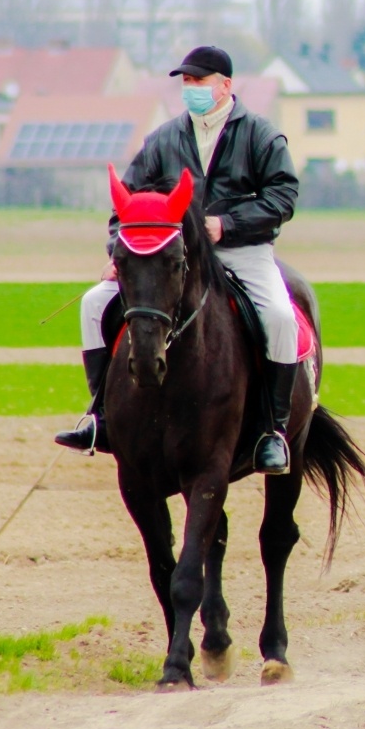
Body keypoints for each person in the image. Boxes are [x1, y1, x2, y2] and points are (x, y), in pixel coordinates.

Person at [55, 45, 302, 473]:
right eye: (186, 82)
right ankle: (101, 417)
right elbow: (125, 205)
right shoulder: (163, 138)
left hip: (241, 251)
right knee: (95, 303)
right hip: (169, 257)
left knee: (280, 316)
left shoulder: (261, 135)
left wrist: (226, 224)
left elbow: (283, 196)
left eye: (199, 82)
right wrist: (121, 253)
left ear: (225, 86)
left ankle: (273, 431)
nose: (191, 90)